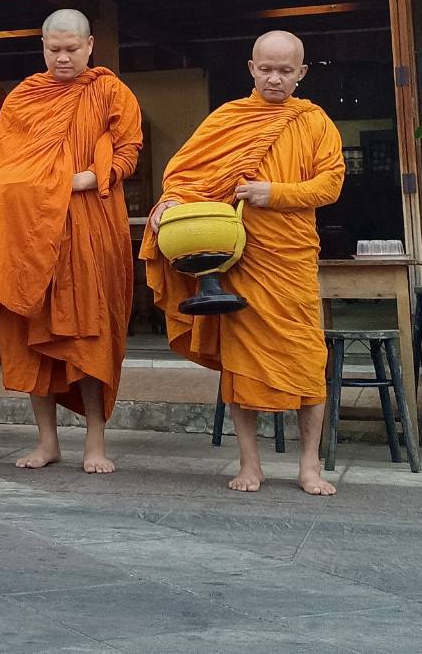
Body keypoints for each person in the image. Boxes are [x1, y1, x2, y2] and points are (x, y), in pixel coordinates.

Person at [142, 30, 345, 495]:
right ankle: (249, 463)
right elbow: (186, 176)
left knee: (310, 363)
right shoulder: (228, 119)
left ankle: (309, 466)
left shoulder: (315, 122)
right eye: (267, 70)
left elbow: (330, 185)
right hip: (240, 261)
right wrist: (169, 203)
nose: (275, 79)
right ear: (251, 69)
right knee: (242, 368)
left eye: (286, 71)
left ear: (302, 73)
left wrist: (273, 194)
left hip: (289, 261)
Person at [0, 10, 143, 472]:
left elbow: (129, 152)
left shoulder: (110, 91)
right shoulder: (24, 97)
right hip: (29, 239)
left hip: (88, 226)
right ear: (42, 47)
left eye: (72, 49)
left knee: (88, 335)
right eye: (54, 50)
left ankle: (95, 444)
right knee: (32, 337)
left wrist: (87, 178)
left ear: (90, 46)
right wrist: (26, 190)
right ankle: (47, 441)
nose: (63, 58)